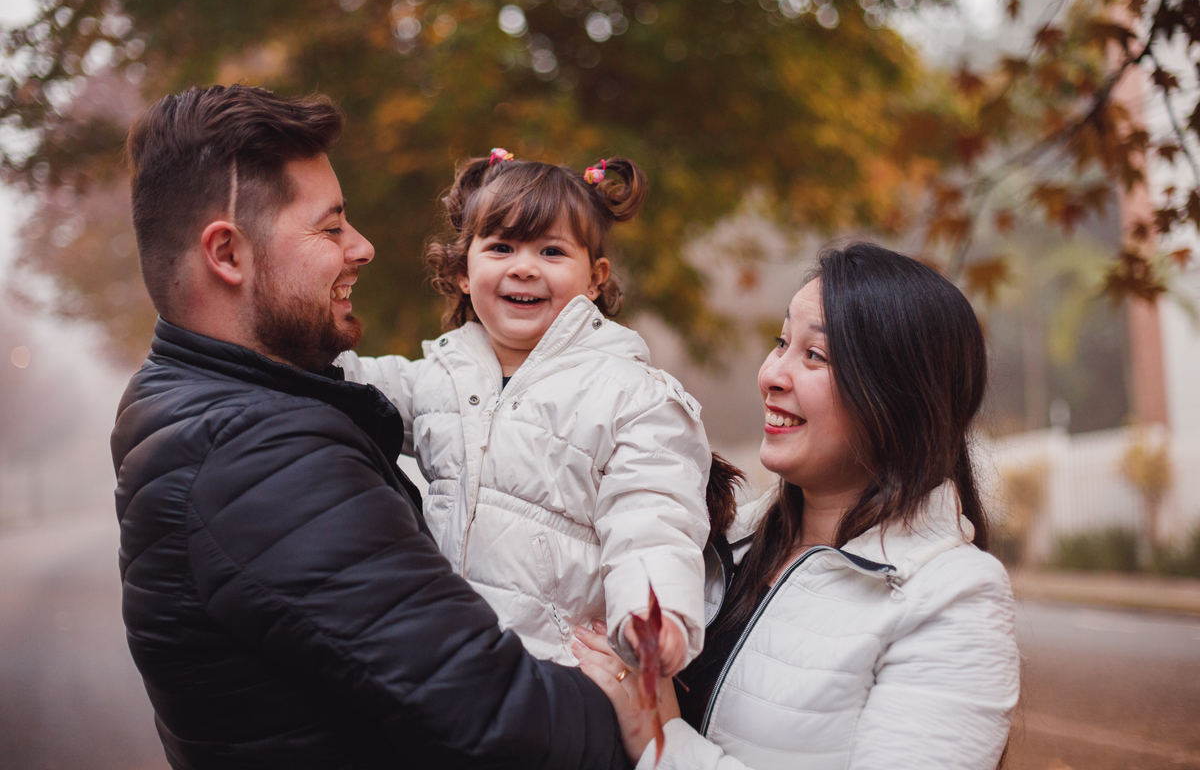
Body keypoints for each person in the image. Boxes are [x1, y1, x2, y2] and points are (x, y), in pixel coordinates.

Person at [110, 84, 631, 770]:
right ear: (228, 255)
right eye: (330, 228)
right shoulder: (259, 460)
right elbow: (505, 720)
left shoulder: (193, 398)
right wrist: (641, 707)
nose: (364, 247)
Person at [574, 242, 1020, 770]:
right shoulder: (710, 540)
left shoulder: (951, 598)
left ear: (897, 397)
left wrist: (662, 739)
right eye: (781, 342)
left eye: (815, 355)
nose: (772, 375)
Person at [337, 151, 717, 674]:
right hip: (443, 664)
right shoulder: (437, 376)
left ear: (594, 279)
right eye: (501, 247)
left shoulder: (629, 395)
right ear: (463, 271)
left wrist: (653, 613)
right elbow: (343, 382)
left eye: (551, 250)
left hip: (554, 673)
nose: (523, 266)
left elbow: (652, 516)